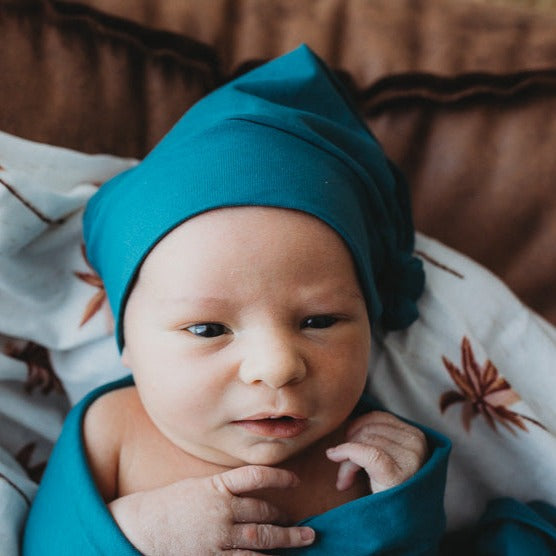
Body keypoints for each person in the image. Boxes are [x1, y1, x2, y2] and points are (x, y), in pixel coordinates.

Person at [23, 45, 451, 555]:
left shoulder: (365, 444)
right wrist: (137, 533)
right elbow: (44, 545)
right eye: (208, 329)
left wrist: (405, 496)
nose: (277, 368)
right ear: (127, 341)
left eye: (319, 320)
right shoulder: (114, 430)